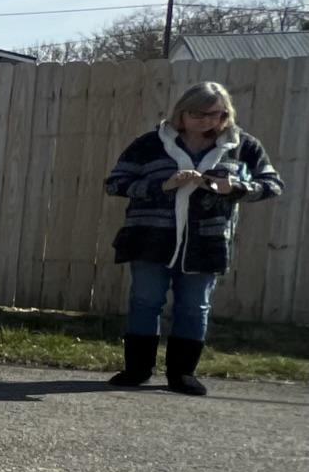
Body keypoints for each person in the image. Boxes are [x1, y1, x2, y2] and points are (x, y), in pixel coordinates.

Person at [103, 81, 284, 395]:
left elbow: (272, 184)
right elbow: (115, 182)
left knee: (195, 306)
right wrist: (162, 185)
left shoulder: (243, 146)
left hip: (206, 242)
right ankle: (137, 370)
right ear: (181, 113)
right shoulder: (150, 143)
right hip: (150, 238)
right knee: (145, 302)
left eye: (213, 114)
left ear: (224, 114)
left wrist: (235, 189)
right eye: (196, 114)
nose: (205, 120)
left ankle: (182, 374)